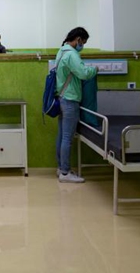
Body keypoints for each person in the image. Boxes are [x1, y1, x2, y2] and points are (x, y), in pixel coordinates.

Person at [54, 27, 97, 183]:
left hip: (62, 97)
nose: (82, 46)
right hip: (70, 99)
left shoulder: (61, 51)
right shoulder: (72, 54)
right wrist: (94, 69)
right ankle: (65, 173)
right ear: (78, 39)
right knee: (67, 138)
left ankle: (60, 167)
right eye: (83, 42)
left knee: (61, 136)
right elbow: (83, 73)